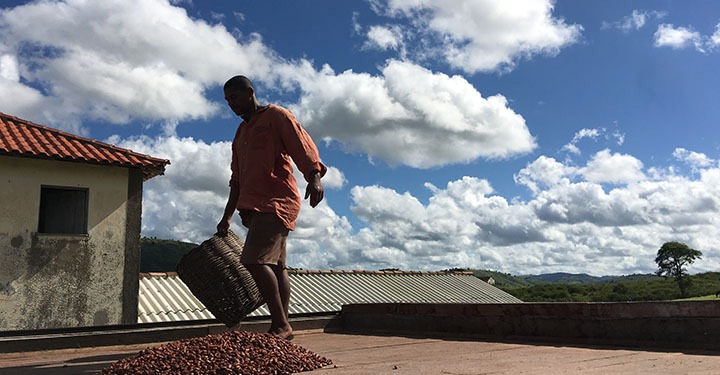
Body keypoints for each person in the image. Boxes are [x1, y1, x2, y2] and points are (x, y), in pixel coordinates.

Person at [217, 75, 326, 340]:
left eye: (235, 97)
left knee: (253, 260)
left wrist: (314, 177)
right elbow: (237, 180)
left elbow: (302, 145)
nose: (231, 104)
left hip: (278, 202)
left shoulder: (276, 116)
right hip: (253, 207)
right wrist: (227, 217)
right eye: (227, 100)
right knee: (277, 266)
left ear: (250, 92)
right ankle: (283, 327)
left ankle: (280, 324)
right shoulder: (241, 134)